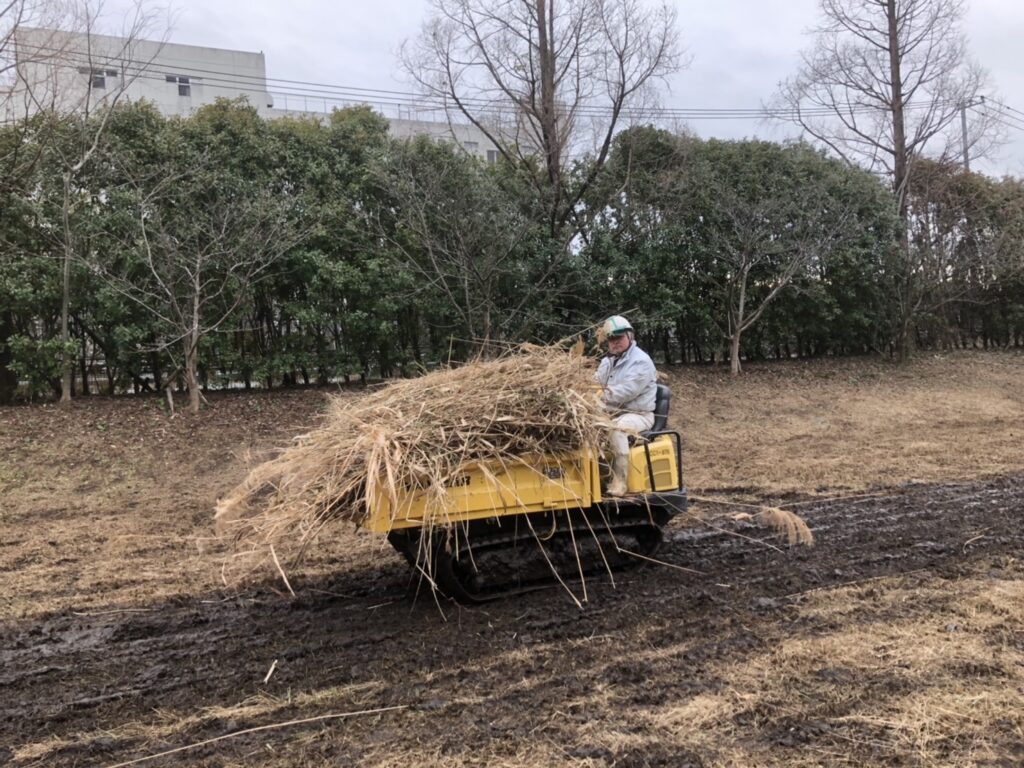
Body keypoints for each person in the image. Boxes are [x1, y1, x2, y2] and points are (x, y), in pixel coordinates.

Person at [594, 315, 657, 497]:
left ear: (630, 336)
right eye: (611, 339)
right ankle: (598, 478)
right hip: (612, 411)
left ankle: (620, 481)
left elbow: (626, 392)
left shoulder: (641, 361)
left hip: (638, 415)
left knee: (617, 429)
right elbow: (594, 383)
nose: (615, 342)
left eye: (619, 337)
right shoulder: (607, 362)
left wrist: (597, 395)